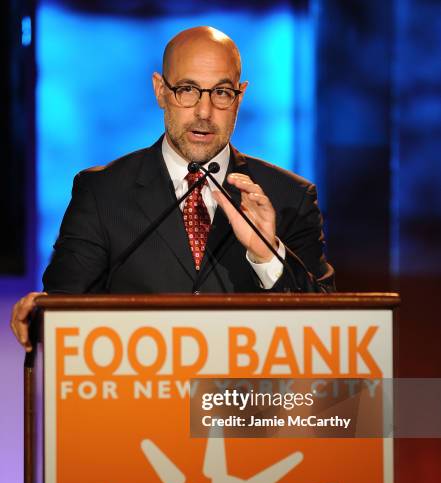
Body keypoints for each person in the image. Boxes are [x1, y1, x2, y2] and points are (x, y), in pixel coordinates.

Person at [10, 25, 335, 351]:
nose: (204, 112)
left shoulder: (290, 198)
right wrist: (39, 314)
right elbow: (60, 316)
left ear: (240, 96)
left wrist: (267, 256)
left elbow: (330, 331)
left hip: (247, 400)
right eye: (187, 90)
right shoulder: (101, 193)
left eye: (221, 92)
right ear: (160, 91)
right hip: (135, 397)